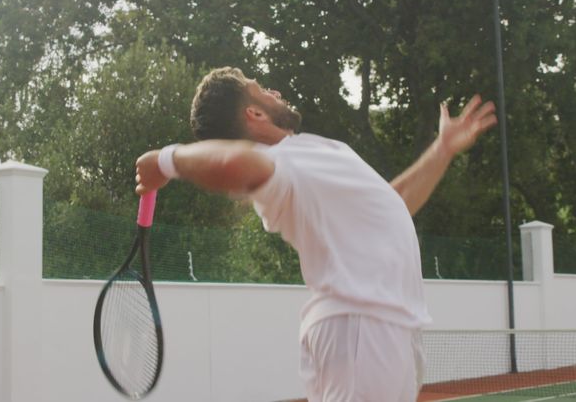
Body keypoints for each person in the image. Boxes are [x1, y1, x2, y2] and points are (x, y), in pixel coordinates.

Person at [134, 67, 497, 401]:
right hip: (361, 328)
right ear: (255, 114)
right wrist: (164, 161)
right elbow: (232, 163)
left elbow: (392, 204)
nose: (274, 91)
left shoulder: (307, 154)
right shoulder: (279, 164)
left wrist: (443, 148)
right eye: (261, 90)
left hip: (382, 327)